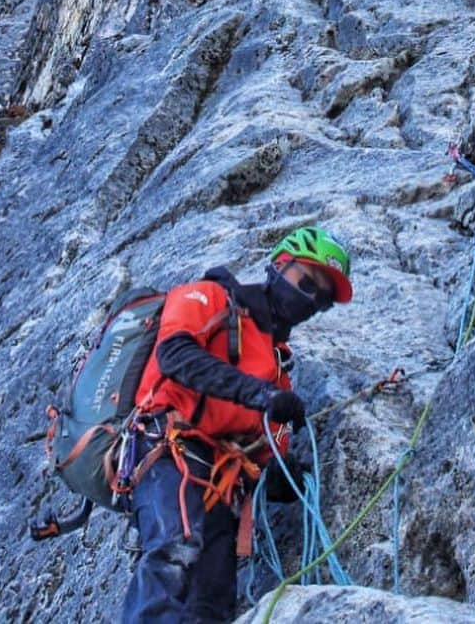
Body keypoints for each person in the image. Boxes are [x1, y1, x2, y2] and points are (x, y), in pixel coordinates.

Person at [121, 225, 353, 624]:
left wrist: (300, 477)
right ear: (279, 266)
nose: (310, 299)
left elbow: (265, 459)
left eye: (322, 299)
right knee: (174, 552)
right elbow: (176, 354)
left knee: (212, 599)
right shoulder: (210, 297)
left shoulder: (278, 368)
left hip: (221, 482)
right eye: (306, 282)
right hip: (167, 447)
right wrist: (261, 397)